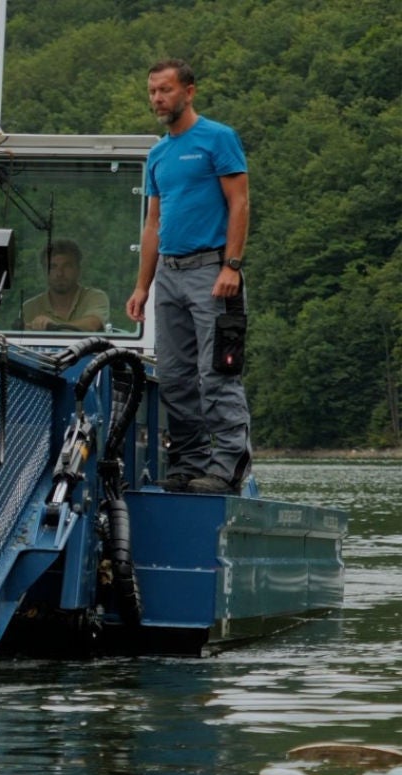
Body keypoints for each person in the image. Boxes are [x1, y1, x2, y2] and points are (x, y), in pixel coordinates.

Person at [124, 58, 251, 494]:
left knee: (217, 372)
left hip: (212, 270)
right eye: (152, 92)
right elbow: (153, 223)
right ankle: (189, 462)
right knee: (175, 376)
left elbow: (239, 203)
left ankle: (229, 464)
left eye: (165, 90)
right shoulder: (158, 153)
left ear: (189, 92)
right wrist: (143, 284)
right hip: (169, 275)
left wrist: (231, 266)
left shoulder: (218, 138)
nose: (158, 98)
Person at [23, 239, 110, 332]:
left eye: (67, 266)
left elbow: (92, 325)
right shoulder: (29, 308)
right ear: (45, 271)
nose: (60, 273)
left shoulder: (95, 297)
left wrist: (54, 326)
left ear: (78, 269)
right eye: (53, 267)